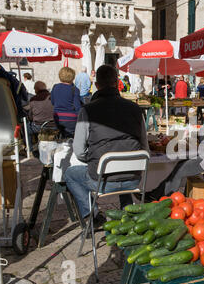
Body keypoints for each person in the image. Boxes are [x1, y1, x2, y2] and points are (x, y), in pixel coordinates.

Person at [64, 65, 149, 224]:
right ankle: (127, 212)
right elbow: (145, 147)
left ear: (96, 85)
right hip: (133, 179)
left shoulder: (88, 110)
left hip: (102, 181)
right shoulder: (136, 109)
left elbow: (79, 151)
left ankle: (93, 215)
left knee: (70, 173)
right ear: (117, 83)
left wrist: (93, 160)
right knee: (122, 165)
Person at [50, 67, 81, 138]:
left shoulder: (55, 87)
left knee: (62, 137)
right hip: (71, 119)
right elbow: (77, 107)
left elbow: (52, 102)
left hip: (57, 117)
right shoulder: (74, 89)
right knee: (72, 138)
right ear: (72, 77)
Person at [25, 81, 54, 150]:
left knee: (26, 128)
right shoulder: (53, 97)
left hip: (39, 126)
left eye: (35, 89)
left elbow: (30, 116)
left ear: (37, 89)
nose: (34, 91)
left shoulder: (33, 99)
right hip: (53, 125)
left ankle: (30, 148)